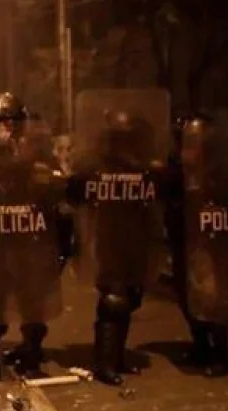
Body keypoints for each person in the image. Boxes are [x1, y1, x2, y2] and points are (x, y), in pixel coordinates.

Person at [0, 94, 68, 380]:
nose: (0, 133)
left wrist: (47, 182)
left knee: (32, 302)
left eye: (6, 125)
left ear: (19, 127)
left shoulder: (37, 158)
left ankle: (32, 356)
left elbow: (58, 196)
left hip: (30, 243)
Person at [68, 103, 170, 386]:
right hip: (109, 238)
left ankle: (117, 357)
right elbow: (75, 194)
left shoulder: (145, 169)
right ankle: (105, 363)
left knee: (131, 297)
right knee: (114, 300)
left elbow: (164, 193)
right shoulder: (96, 168)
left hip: (138, 240)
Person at [165, 113, 228, 376]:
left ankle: (219, 352)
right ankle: (201, 346)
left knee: (213, 295)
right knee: (188, 295)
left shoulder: (221, 170)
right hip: (184, 239)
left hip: (212, 240)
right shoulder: (177, 169)